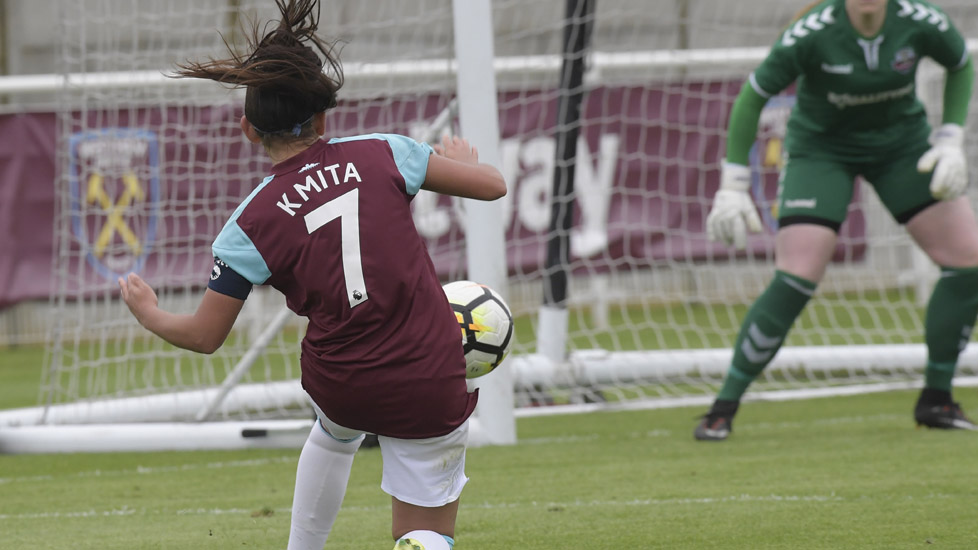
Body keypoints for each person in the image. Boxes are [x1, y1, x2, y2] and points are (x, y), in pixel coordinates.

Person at [118, 1, 507, 548]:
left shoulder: (246, 225)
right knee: (424, 532)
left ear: (249, 130)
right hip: (427, 373)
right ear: (325, 118)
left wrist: (151, 313)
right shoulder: (386, 153)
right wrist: (464, 162)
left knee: (334, 428)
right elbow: (492, 186)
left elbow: (205, 338)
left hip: (341, 383)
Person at [697, 0, 978, 441]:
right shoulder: (811, 31)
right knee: (798, 274)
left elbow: (961, 65)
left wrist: (949, 137)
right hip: (821, 152)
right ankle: (723, 406)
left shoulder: (922, 20)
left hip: (900, 149)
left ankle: (937, 400)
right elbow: (752, 96)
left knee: (968, 262)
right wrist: (732, 184)